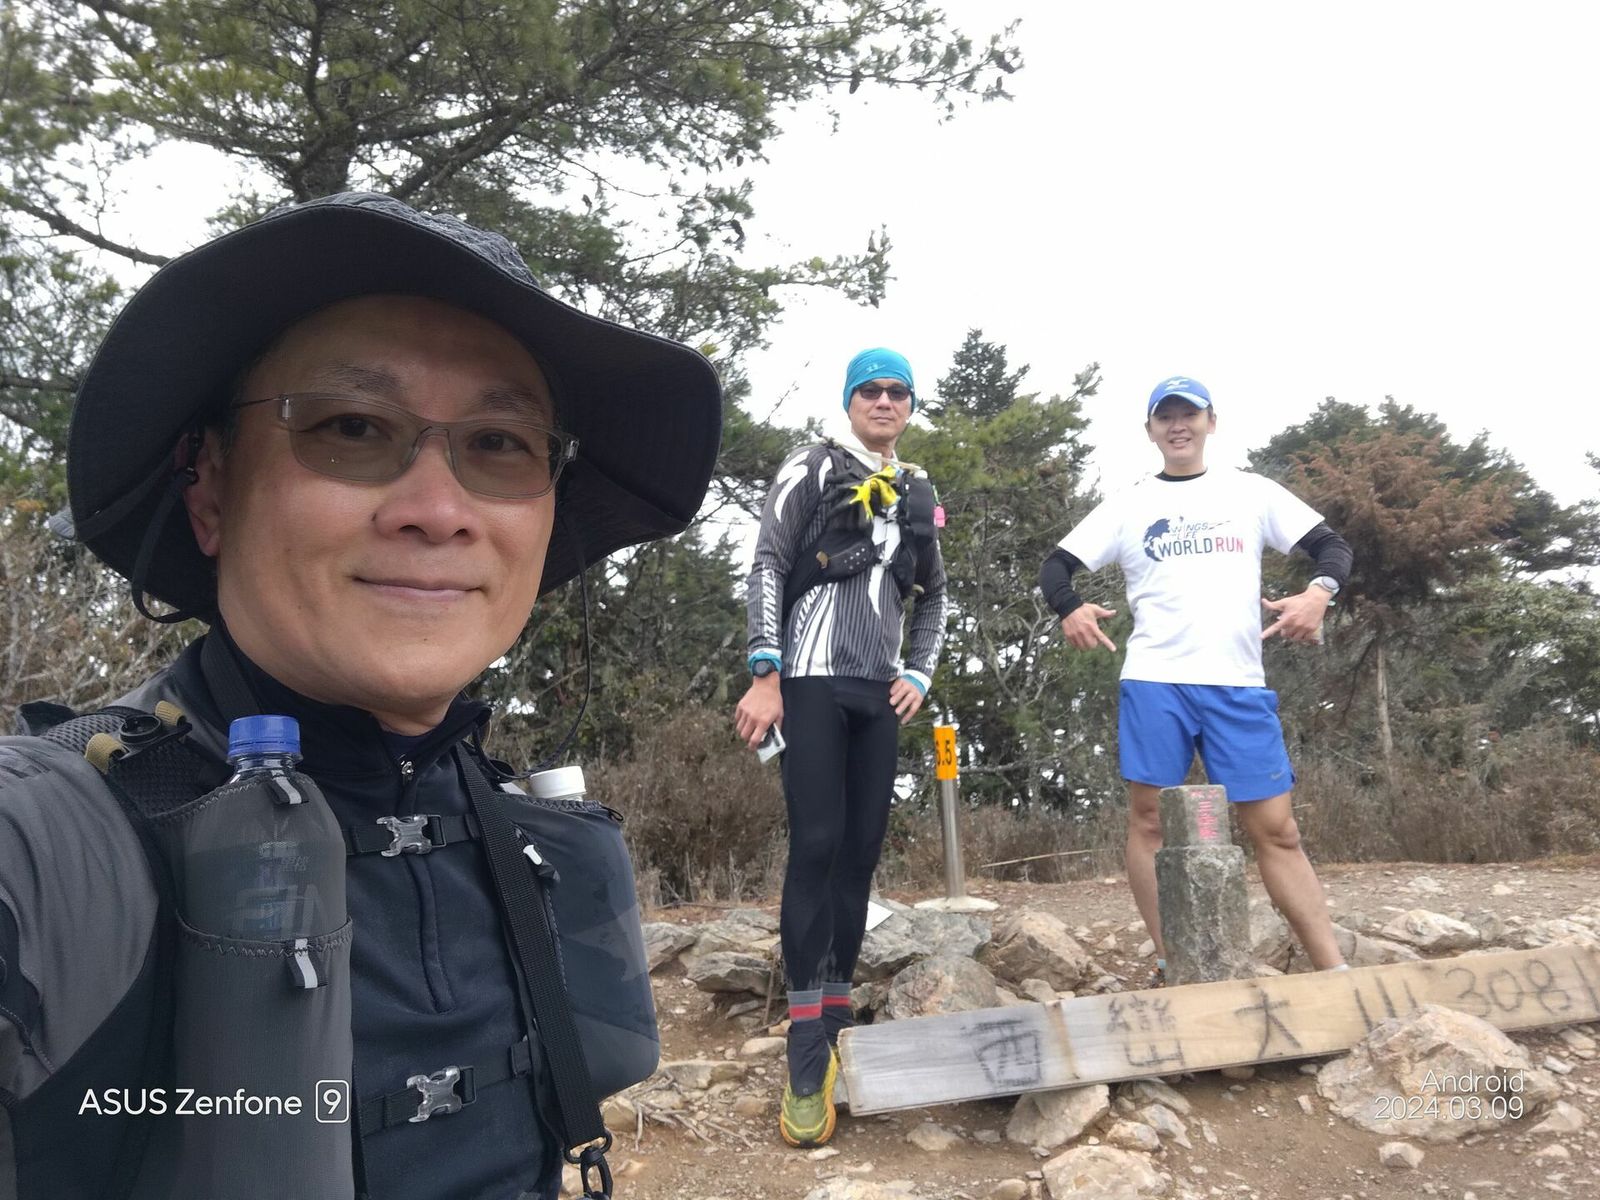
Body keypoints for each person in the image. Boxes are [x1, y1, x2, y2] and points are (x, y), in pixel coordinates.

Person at [0, 193, 722, 1199]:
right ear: (209, 490)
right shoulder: (47, 844)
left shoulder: (507, 829)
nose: (439, 510)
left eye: (500, 443)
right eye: (351, 426)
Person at [1039, 376, 1352, 981]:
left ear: (1212, 421)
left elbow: (1332, 548)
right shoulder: (1129, 504)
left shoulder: (1252, 492)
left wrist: (1318, 594)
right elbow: (1056, 567)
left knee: (1277, 830)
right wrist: (1070, 609)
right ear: (1150, 430)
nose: (1178, 426)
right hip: (1156, 681)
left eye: (1190, 414)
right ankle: (1173, 962)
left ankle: (1334, 972)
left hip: (1238, 684)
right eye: (1166, 417)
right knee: (1150, 821)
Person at [733, 348, 949, 1147]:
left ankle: (834, 1007)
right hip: (812, 679)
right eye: (871, 390)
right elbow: (768, 560)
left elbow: (934, 592)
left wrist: (919, 672)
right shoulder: (813, 464)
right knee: (817, 843)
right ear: (851, 400)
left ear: (910, 406)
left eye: (898, 392)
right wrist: (765, 673)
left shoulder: (918, 489)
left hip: (878, 689)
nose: (884, 401)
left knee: (860, 854)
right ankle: (803, 1040)